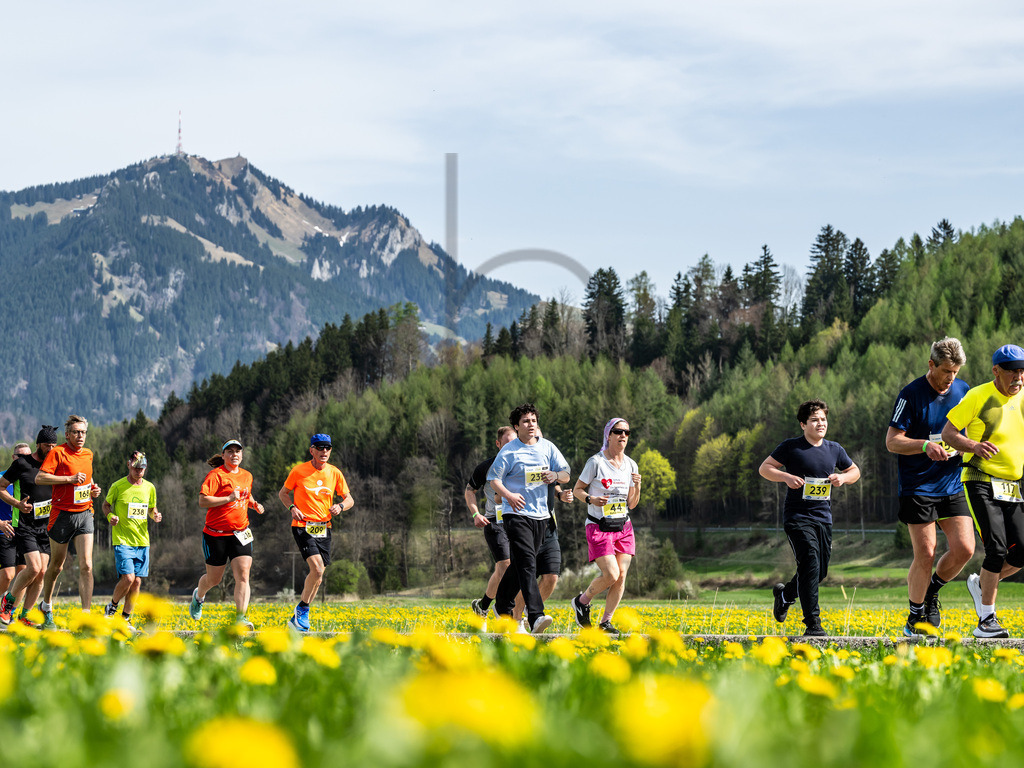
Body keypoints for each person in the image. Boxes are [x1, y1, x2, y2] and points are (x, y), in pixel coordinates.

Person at [885, 337, 974, 636]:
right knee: (926, 553)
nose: (951, 377)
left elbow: (971, 429)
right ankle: (915, 616)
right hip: (918, 486)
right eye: (947, 370)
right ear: (931, 364)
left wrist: (964, 447)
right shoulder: (910, 394)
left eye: (956, 371)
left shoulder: (963, 391)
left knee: (965, 549)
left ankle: (932, 591)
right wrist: (924, 446)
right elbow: (892, 441)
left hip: (951, 483)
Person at [942, 344, 1024, 639]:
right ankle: (985, 620)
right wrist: (973, 446)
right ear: (996, 371)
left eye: (1022, 370)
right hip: (979, 478)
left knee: (1022, 550)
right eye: (1012, 370)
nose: (1018, 376)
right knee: (997, 548)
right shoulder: (978, 396)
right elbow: (949, 433)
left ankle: (981, 584)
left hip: (1011, 485)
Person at [759, 399, 860, 637]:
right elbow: (765, 468)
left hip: (823, 518)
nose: (820, 423)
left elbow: (854, 471)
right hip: (797, 516)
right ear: (803, 424)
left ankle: (785, 595)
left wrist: (842, 479)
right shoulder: (791, 447)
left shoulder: (835, 449)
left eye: (823, 419)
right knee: (810, 562)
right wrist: (785, 477)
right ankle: (812, 623)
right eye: (814, 420)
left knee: (819, 571)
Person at [487, 403, 570, 634]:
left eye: (533, 420)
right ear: (517, 426)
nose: (531, 424)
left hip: (541, 516)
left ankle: (502, 605)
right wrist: (509, 496)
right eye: (525, 421)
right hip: (515, 514)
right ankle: (535, 616)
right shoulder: (509, 451)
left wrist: (555, 475)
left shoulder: (548, 448)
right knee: (528, 564)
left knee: (521, 565)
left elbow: (565, 472)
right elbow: (494, 479)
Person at [570, 417, 641, 635]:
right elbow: (577, 490)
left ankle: (605, 622)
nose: (623, 436)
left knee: (621, 575)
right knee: (610, 574)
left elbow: (632, 504)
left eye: (627, 433)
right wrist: (591, 499)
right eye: (618, 431)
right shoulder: (596, 462)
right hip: (598, 526)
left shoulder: (631, 465)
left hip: (623, 527)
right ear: (608, 435)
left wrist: (637, 486)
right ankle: (582, 602)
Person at [277, 433, 353, 632]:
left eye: (327, 447)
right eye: (320, 447)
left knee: (319, 575)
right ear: (312, 450)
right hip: (302, 526)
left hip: (324, 527)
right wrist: (292, 507)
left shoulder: (335, 473)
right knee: (317, 568)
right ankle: (303, 609)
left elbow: (349, 498)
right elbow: (283, 493)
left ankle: (299, 614)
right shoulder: (299, 471)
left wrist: (341, 506)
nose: (324, 451)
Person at [188, 439, 265, 631]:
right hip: (215, 535)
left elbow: (246, 495)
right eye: (229, 451)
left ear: (242, 454)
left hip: (240, 533)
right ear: (223, 455)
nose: (234, 454)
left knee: (244, 575)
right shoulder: (216, 475)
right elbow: (202, 501)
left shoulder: (247, 475)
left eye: (237, 451)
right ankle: (199, 596)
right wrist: (228, 498)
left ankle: (241, 618)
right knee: (214, 580)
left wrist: (254, 504)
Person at [36, 415, 102, 629]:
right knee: (56, 566)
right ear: (67, 434)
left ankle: (86, 615)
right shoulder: (58, 453)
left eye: (83, 432)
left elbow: (87, 477)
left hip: (85, 513)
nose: (80, 436)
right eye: (76, 432)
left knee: (87, 565)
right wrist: (68, 480)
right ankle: (46, 606)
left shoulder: (89, 454)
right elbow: (40, 478)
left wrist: (93, 488)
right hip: (62, 515)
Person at [0, 429, 57, 626]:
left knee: (42, 573)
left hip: (45, 527)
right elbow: (0, 487)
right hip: (25, 525)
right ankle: (7, 603)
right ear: (38, 444)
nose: (50, 449)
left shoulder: (55, 465)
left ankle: (25, 616)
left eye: (53, 446)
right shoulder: (22, 463)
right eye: (47, 445)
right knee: (33, 568)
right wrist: (17, 504)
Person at [102, 450, 161, 631]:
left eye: (142, 468)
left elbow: (151, 508)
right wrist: (110, 516)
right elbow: (106, 505)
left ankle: (125, 619)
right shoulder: (118, 486)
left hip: (142, 541)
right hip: (122, 539)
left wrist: (155, 515)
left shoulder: (150, 487)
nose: (138, 471)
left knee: (137, 582)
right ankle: (111, 608)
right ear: (129, 465)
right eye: (136, 468)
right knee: (128, 578)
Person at [465, 426, 516, 618]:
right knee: (505, 564)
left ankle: (485, 605)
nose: (512, 447)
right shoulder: (486, 467)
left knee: (516, 567)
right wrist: (475, 514)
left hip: (519, 521)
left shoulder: (524, 465)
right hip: (495, 522)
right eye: (507, 443)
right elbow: (470, 490)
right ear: (498, 444)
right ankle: (501, 609)